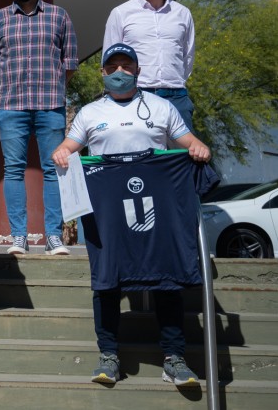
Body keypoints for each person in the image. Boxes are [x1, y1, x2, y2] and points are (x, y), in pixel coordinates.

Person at [51, 43, 211, 387]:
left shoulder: (161, 106)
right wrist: (62, 153)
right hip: (109, 210)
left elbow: (191, 142)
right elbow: (67, 147)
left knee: (166, 278)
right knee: (107, 280)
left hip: (157, 208)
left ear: (138, 70)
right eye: (113, 67)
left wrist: (197, 147)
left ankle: (174, 357)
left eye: (127, 65)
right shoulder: (90, 113)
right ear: (103, 72)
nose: (120, 72)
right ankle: (109, 355)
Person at [0, 0, 77, 256]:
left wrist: (52, 85)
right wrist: (11, 85)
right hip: (12, 106)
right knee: (13, 170)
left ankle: (53, 237)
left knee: (54, 170)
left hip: (50, 104)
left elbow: (70, 64)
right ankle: (19, 237)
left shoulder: (59, 15)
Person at [103, 0, 196, 129]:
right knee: (141, 153)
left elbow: (188, 56)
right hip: (138, 95)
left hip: (176, 97)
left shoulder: (183, 13)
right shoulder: (121, 13)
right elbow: (110, 59)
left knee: (183, 154)